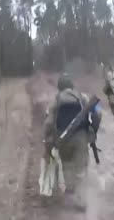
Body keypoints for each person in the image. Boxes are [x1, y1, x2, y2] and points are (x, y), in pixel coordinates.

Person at [42, 73, 102, 207]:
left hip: (62, 138)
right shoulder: (83, 98)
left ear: (59, 87)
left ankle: (71, 191)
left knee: (67, 164)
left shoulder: (56, 100)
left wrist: (48, 139)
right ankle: (81, 199)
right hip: (80, 137)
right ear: (72, 85)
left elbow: (48, 123)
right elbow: (97, 113)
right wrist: (93, 129)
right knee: (81, 167)